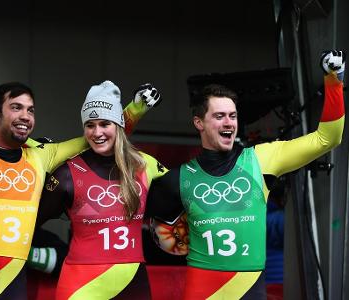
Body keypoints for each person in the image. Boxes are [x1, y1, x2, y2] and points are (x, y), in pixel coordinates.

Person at [146, 50, 345, 299]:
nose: (228, 122)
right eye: (219, 116)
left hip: (251, 291)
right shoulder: (177, 180)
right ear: (199, 123)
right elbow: (150, 227)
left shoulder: (262, 160)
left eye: (232, 116)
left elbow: (328, 138)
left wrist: (334, 80)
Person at [0, 81, 160, 298]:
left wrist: (135, 109)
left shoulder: (40, 154)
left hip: (10, 279)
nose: (25, 115)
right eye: (16, 107)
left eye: (30, 110)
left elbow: (101, 137)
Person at [34, 80, 166, 299]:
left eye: (105, 123)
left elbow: (183, 198)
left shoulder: (144, 165)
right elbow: (30, 223)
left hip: (133, 283)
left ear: (119, 125)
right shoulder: (67, 175)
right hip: (81, 285)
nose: (97, 132)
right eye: (90, 125)